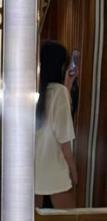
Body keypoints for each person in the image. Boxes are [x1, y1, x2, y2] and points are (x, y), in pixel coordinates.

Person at [35, 39, 78, 209]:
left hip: (33, 168)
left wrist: (67, 84)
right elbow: (64, 140)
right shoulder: (59, 93)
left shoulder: (33, 91)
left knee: (34, 220)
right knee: (67, 219)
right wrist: (73, 170)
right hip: (54, 169)